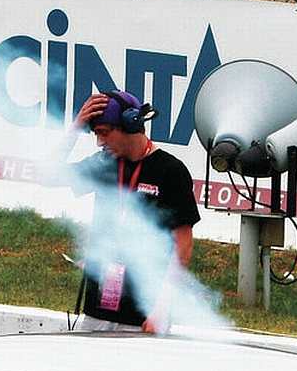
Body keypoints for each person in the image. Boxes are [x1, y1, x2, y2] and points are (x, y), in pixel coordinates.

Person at [70, 90, 201, 333]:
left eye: (104, 133)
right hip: (97, 307)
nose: (100, 141)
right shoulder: (104, 163)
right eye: (96, 134)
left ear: (131, 125)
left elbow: (183, 246)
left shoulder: (170, 171)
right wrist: (74, 129)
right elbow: (47, 174)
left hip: (143, 313)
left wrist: (162, 308)